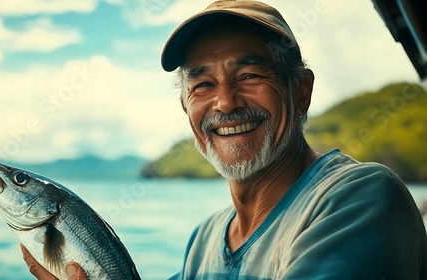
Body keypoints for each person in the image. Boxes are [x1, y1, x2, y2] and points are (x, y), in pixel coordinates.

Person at [21, 1, 427, 279]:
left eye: (250, 76)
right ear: (187, 109)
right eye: (202, 84)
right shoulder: (204, 239)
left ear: (301, 91)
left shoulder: (359, 198)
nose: (226, 103)